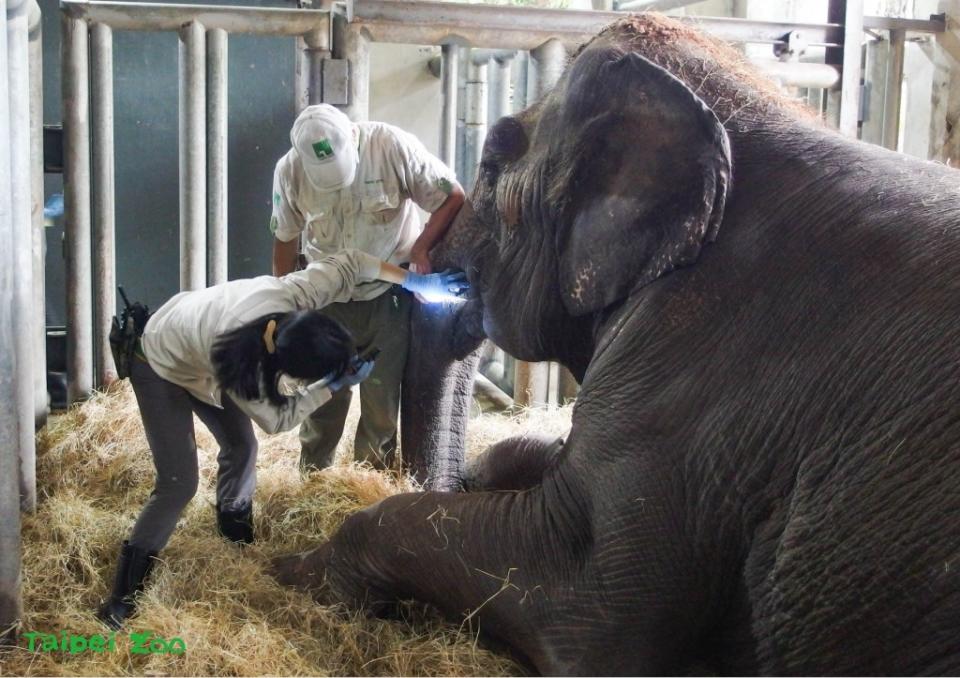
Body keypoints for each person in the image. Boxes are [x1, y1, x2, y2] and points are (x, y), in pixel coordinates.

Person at [96, 249, 467, 630]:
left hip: (197, 337)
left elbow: (354, 262)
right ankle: (121, 600)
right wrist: (333, 384)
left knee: (242, 447)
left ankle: (235, 541)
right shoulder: (242, 364)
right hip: (159, 362)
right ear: (290, 371)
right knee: (178, 484)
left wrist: (416, 280)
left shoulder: (296, 294)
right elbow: (278, 420)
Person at [270, 104, 465, 472]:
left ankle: (369, 491)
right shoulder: (289, 171)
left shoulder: (390, 146)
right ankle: (313, 482)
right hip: (326, 298)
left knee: (381, 404)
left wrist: (422, 249)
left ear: (352, 139)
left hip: (386, 297)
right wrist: (289, 310)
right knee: (321, 402)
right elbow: (284, 237)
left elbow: (452, 195)